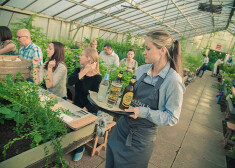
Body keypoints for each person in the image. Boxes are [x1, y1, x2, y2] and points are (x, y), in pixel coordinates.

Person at [105, 29, 185, 168]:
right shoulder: (141, 70)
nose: (143, 52)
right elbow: (129, 95)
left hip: (140, 139)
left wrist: (144, 112)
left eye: (148, 48)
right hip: (121, 128)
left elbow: (172, 117)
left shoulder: (173, 80)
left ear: (162, 50)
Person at [68, 47, 102, 161]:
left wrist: (84, 109)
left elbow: (95, 99)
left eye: (81, 55)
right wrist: (85, 71)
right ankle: (72, 143)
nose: (79, 56)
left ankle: (80, 148)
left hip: (89, 108)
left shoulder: (97, 78)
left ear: (89, 59)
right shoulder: (79, 71)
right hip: (76, 105)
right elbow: (70, 81)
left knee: (80, 127)